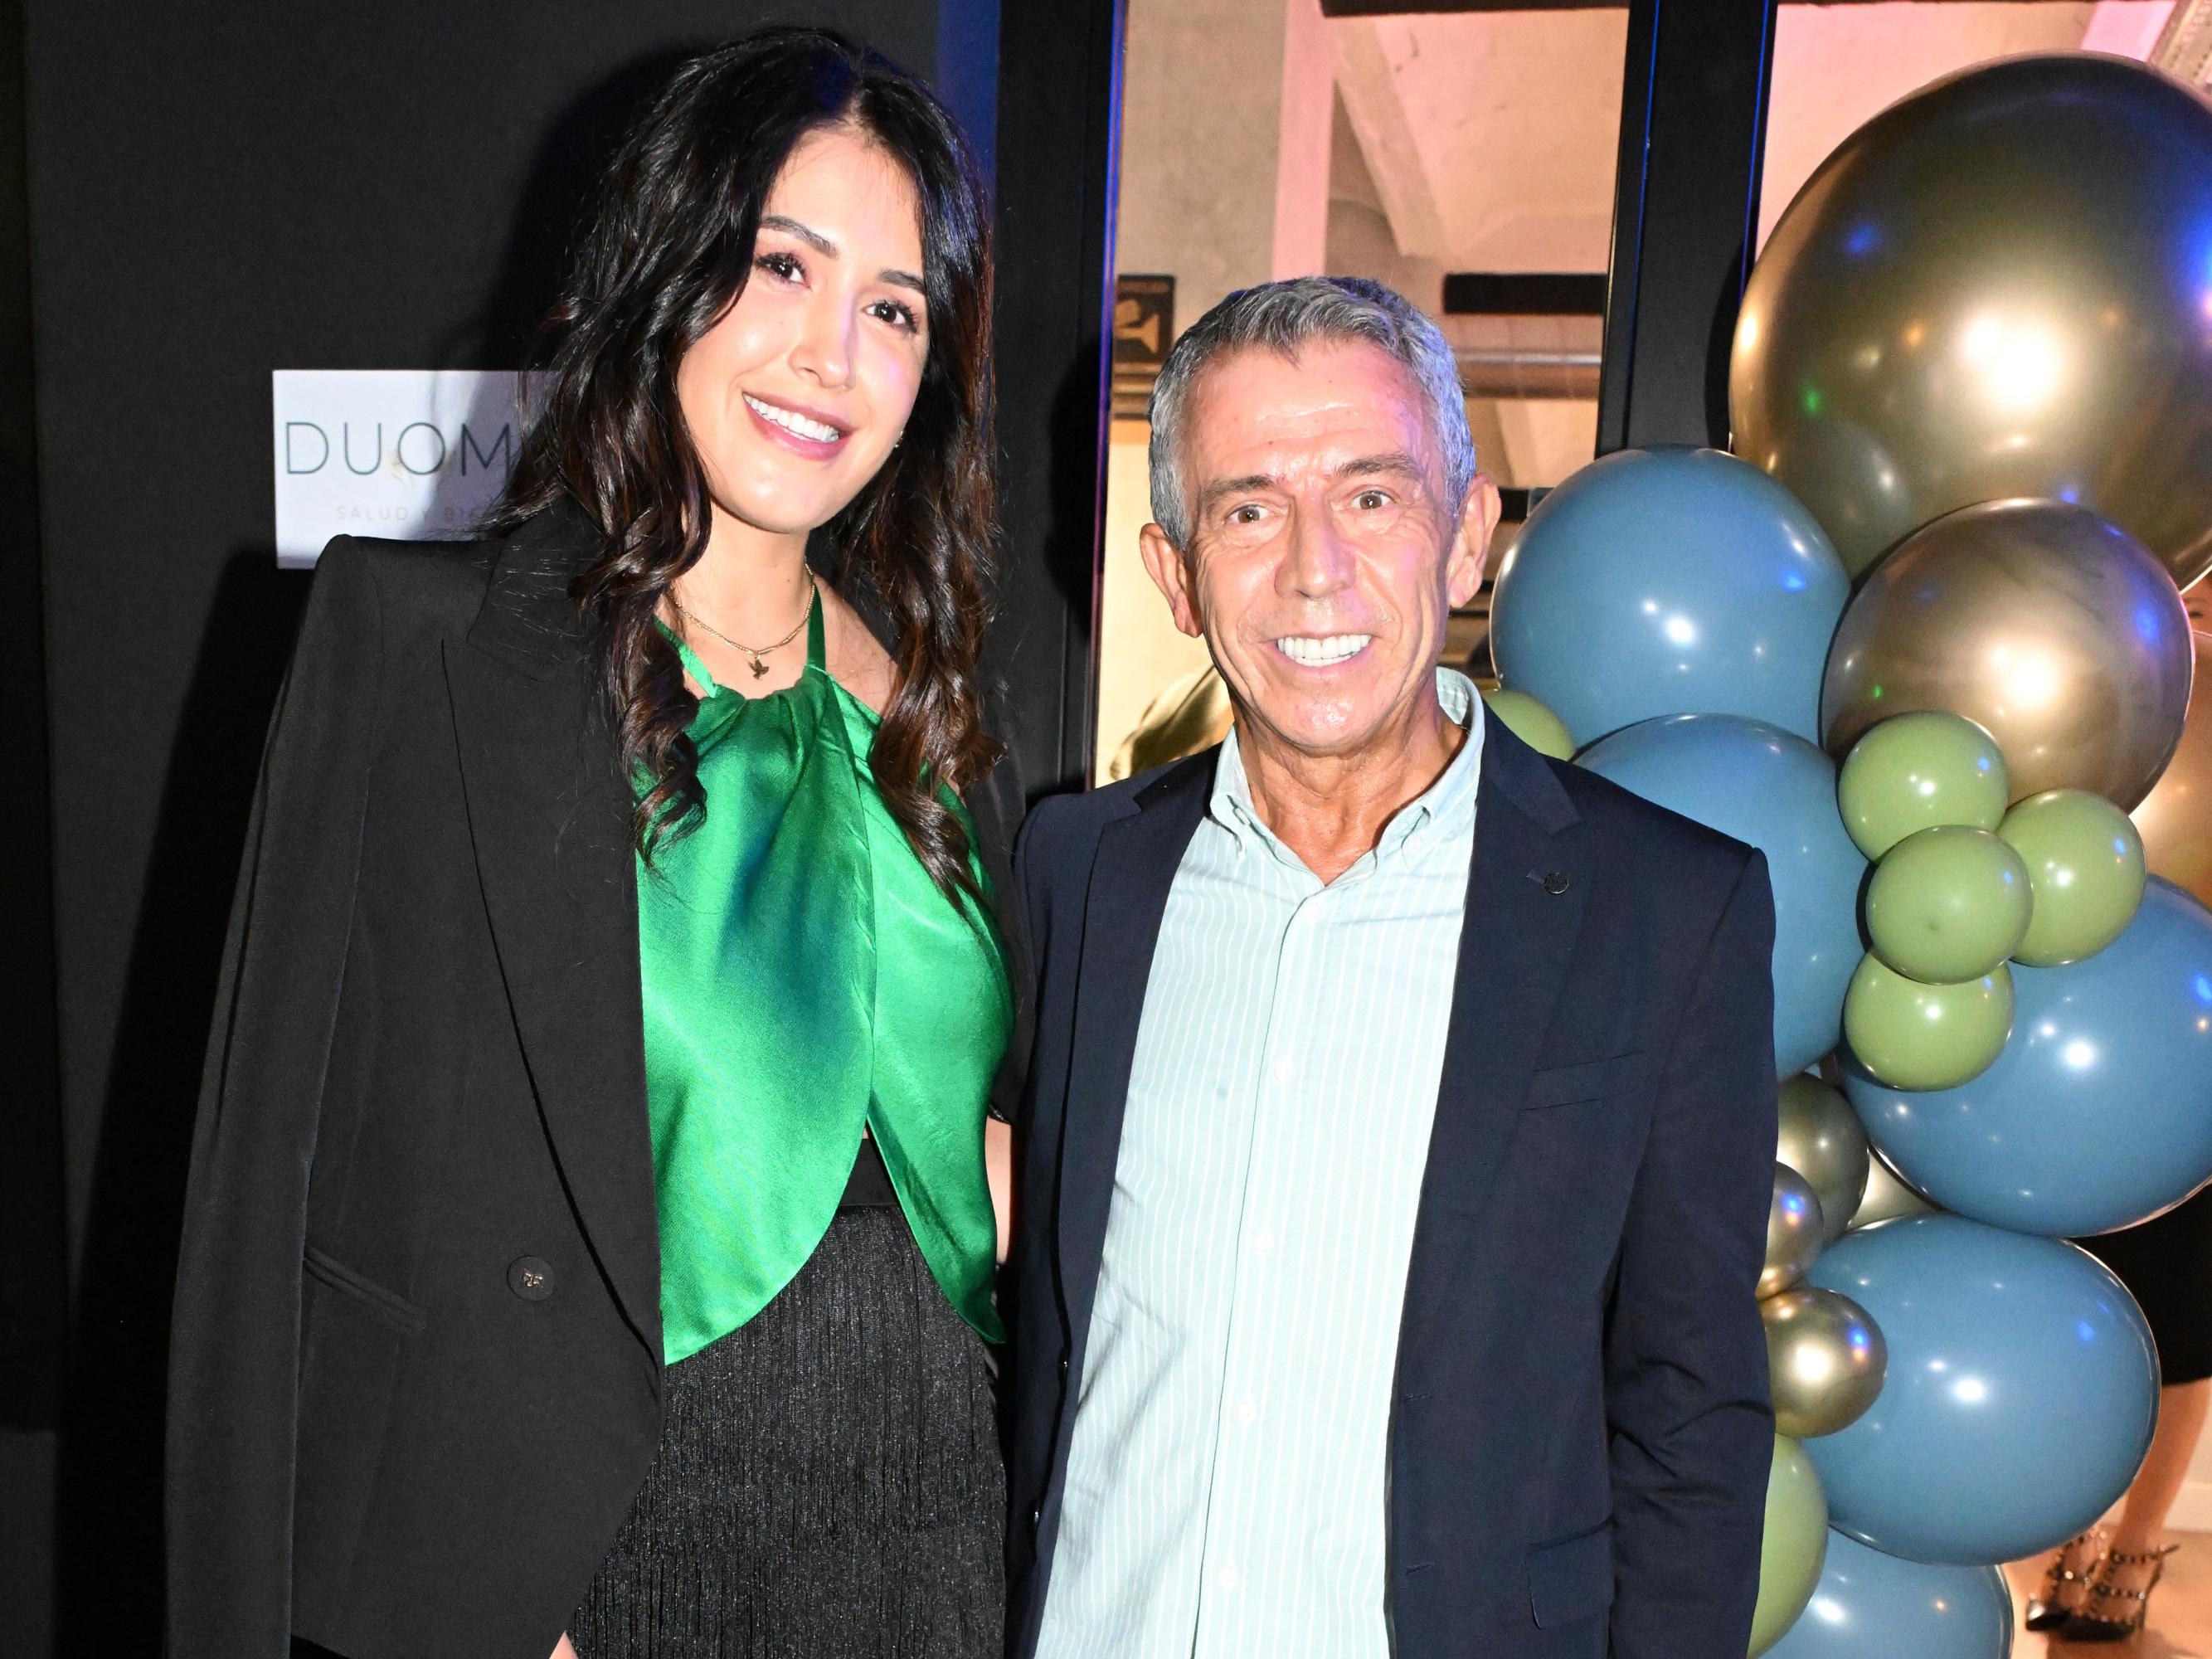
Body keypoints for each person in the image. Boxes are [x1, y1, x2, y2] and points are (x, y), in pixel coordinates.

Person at [166, 30, 1023, 1659]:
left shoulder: (939, 718)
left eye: (893, 308)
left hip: (933, 1545)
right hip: (576, 1570)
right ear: (664, 265)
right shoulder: (419, 647)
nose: (828, 354)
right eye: (780, 263)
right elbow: (264, 1193)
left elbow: (956, 1129)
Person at [1001, 276, 1779, 1659]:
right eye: (1247, 509)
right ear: (1173, 577)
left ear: (1467, 535)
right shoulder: (1073, 872)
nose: (1314, 569)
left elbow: (1688, 1411)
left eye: (1371, 497)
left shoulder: (1665, 911)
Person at [2028, 1185, 2212, 1640]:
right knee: (2075, 1342)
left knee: (2183, 1337)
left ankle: (2138, 1547)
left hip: (2197, 1146)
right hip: (2088, 1147)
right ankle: (2077, 1536)